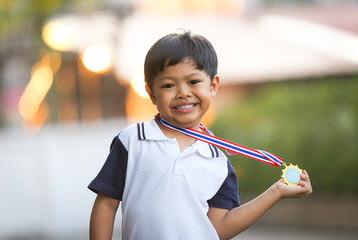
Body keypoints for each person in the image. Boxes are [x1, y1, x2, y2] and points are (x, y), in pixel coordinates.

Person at [88, 31, 313, 240]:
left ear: (213, 86)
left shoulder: (218, 161)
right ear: (151, 93)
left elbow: (220, 227)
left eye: (194, 81)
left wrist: (276, 192)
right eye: (168, 85)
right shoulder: (132, 140)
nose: (183, 92)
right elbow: (106, 204)